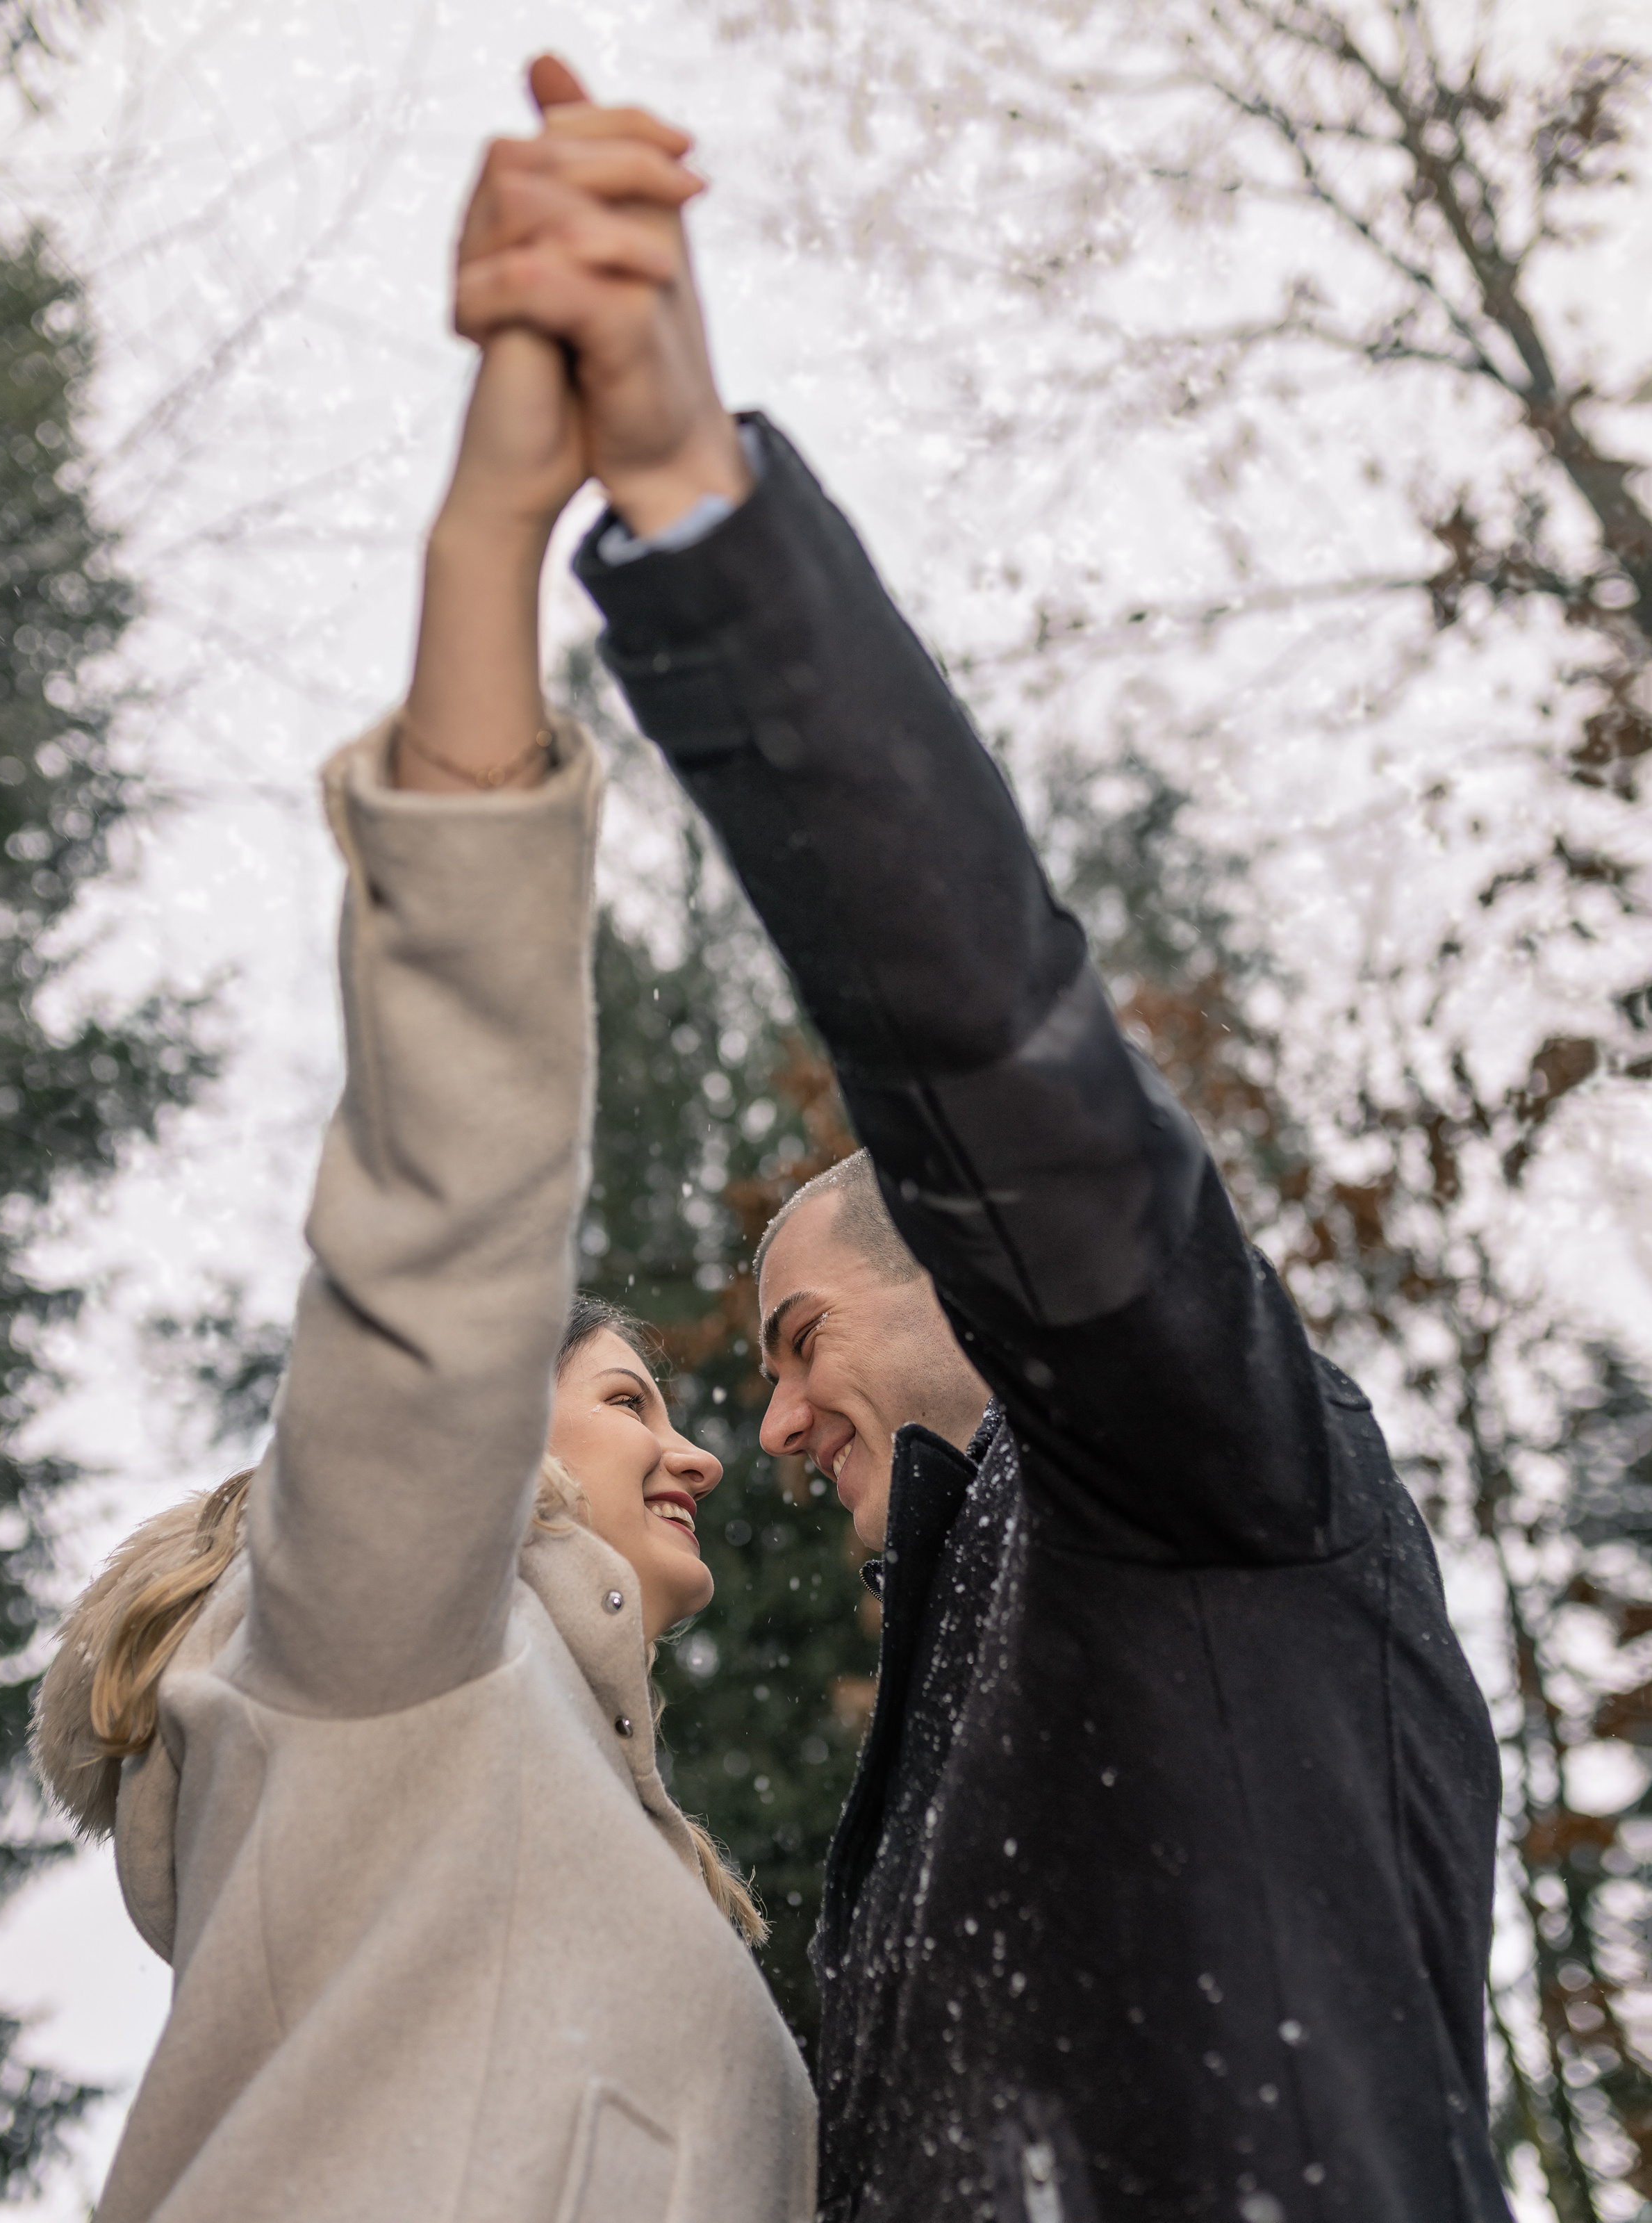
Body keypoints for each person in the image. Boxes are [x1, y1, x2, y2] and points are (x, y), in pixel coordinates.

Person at [472, 57, 1514, 2223]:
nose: (767, 1427)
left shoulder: (1193, 1474)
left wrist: (686, 497)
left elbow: (993, 1045)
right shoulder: (934, 1719)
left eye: (788, 1339)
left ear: (965, 1263)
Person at [29, 95, 816, 2223]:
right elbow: (451, 1196)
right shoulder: (390, 1654)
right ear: (474, 1455)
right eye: (636, 1394)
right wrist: (497, 540)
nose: (704, 1451)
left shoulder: (547, 1808)